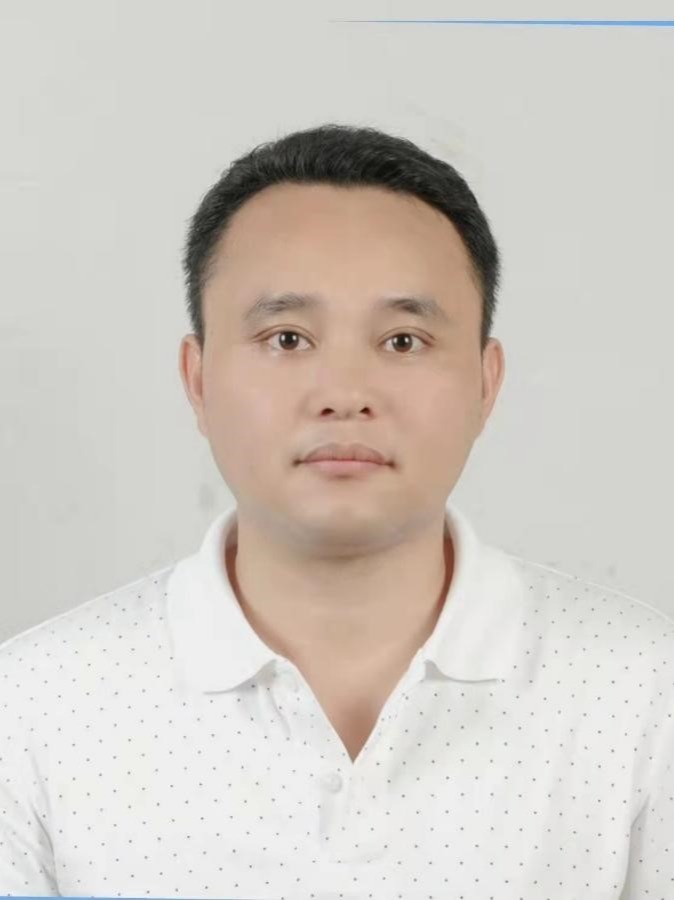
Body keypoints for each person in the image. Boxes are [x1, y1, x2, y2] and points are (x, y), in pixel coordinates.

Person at [1, 123, 671, 900]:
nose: (344, 393)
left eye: (403, 341)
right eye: (287, 338)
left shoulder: (644, 695)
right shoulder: (33, 708)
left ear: (485, 384)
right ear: (198, 379)